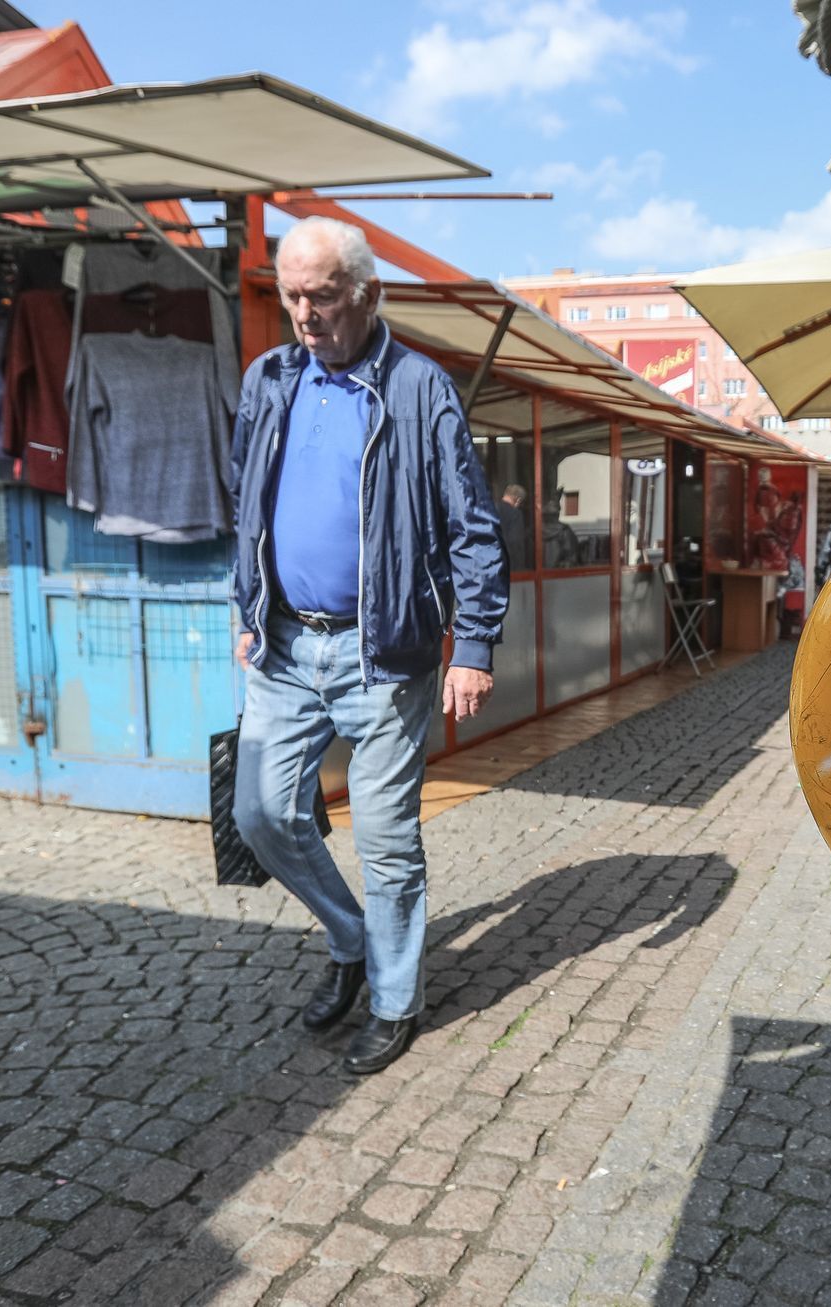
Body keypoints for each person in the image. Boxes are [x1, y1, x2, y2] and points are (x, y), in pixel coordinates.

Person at [230, 216, 508, 1075]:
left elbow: (473, 526)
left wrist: (474, 645)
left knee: (386, 841)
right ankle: (349, 936)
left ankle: (393, 1001)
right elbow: (245, 497)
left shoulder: (420, 389)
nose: (304, 314)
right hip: (281, 644)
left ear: (367, 294)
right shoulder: (268, 378)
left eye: (322, 296)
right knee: (261, 814)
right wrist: (246, 601)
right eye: (290, 295)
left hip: (383, 653)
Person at [497, 483, 531, 572]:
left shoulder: (491, 510)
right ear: (518, 500)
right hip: (510, 566)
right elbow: (515, 542)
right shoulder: (515, 514)